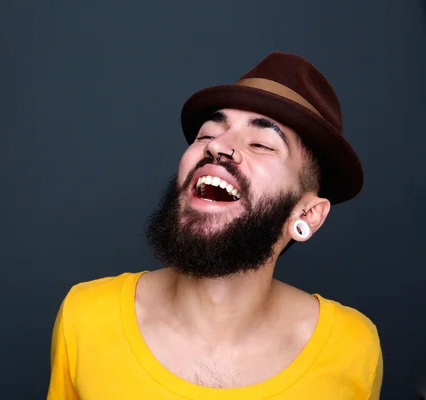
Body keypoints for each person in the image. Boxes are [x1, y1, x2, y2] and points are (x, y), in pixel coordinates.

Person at [46, 51, 383, 399]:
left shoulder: (352, 346)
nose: (218, 147)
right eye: (207, 135)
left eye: (261, 144)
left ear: (306, 214)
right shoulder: (85, 316)